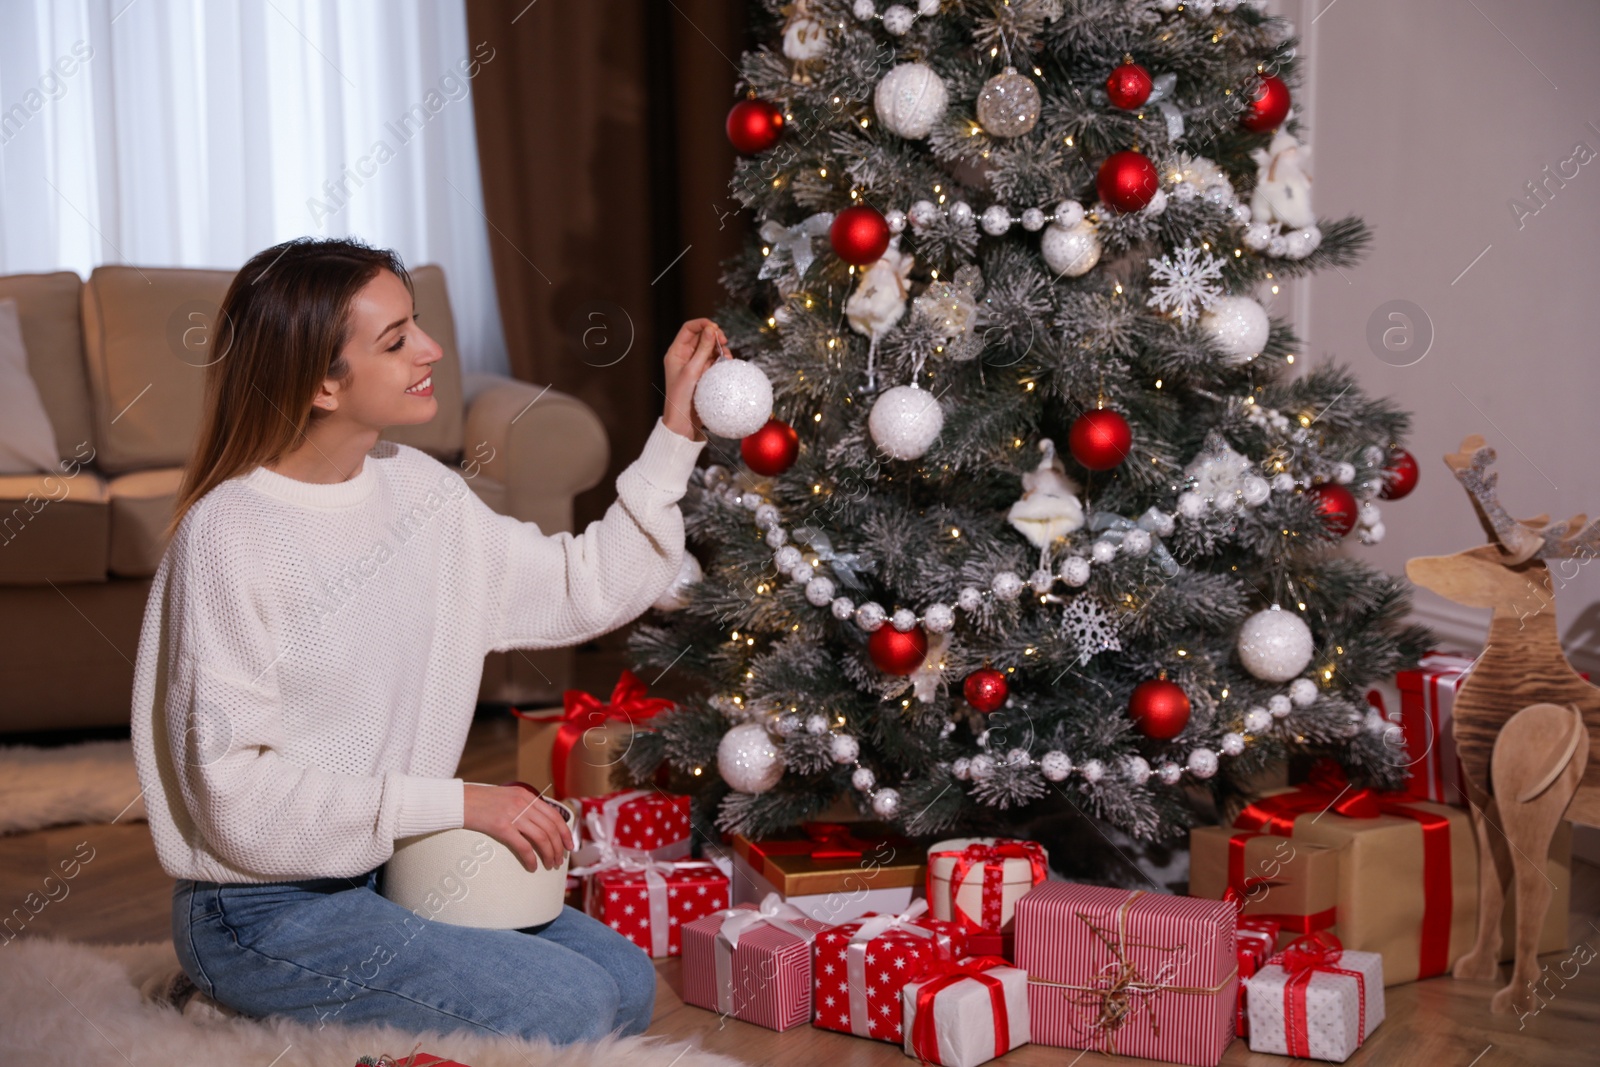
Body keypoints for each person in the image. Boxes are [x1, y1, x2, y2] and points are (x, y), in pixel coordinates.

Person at [129, 236, 725, 1044]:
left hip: (384, 871)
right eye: (397, 338)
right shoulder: (229, 535)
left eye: (417, 326)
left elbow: (582, 584)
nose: (432, 349)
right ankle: (234, 995)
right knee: (570, 1008)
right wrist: (463, 802)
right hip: (255, 906)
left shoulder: (420, 491)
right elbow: (235, 802)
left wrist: (676, 431)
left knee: (622, 987)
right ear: (320, 384)